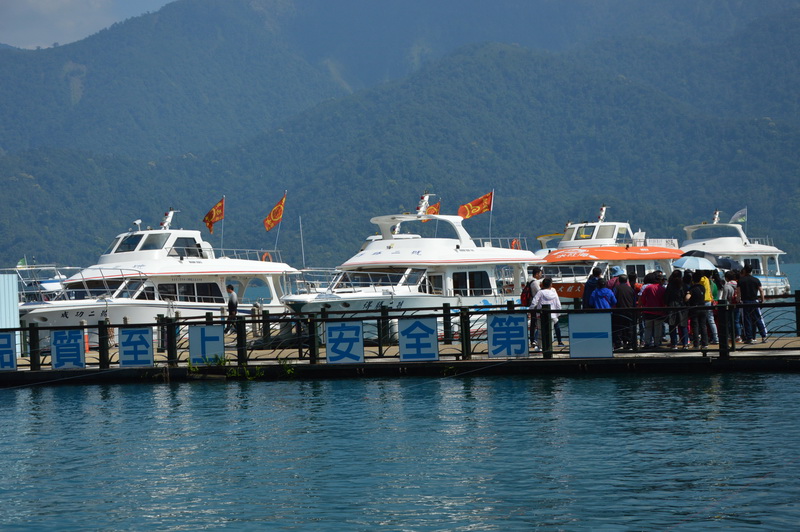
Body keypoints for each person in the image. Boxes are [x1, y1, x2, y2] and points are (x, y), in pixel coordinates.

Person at [737, 265, 767, 343]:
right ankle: (764, 336)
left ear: (744, 270)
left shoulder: (741, 280)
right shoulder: (756, 280)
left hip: (745, 302)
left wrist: (738, 300)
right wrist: (762, 300)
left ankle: (749, 338)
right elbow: (761, 290)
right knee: (758, 319)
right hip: (755, 301)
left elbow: (738, 292)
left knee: (746, 320)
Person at [530, 277, 564, 347]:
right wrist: (557, 315)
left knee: (540, 331)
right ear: (551, 284)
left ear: (542, 284)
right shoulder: (554, 293)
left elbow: (534, 302)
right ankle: (551, 346)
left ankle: (539, 346)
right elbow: (558, 305)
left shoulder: (540, 292)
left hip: (541, 315)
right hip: (553, 315)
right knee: (552, 331)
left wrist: (530, 310)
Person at [638, 272, 666, 348]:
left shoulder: (648, 288)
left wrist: (642, 306)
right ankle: (657, 343)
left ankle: (647, 343)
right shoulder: (662, 289)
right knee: (658, 329)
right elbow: (664, 301)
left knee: (648, 328)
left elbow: (642, 299)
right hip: (659, 311)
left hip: (648, 311)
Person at [664, 270, 689, 350]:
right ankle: (685, 344)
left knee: (672, 326)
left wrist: (666, 304)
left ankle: (674, 344)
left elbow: (666, 297)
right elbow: (686, 296)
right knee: (683, 326)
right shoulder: (683, 285)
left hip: (672, 306)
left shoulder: (670, 285)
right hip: (682, 306)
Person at [612, 274, 637, 350]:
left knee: (618, 328)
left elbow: (613, 299)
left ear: (619, 280)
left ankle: (618, 344)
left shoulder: (616, 288)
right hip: (629, 310)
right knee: (629, 327)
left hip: (619, 311)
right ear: (627, 281)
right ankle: (630, 343)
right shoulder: (630, 289)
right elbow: (634, 300)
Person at [688, 271, 708, 349]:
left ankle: (696, 344)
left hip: (694, 308)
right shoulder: (702, 287)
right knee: (703, 325)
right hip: (703, 307)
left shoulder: (692, 288)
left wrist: (687, 294)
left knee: (695, 326)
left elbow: (687, 298)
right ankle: (705, 343)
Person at [525, 266, 543, 347]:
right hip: (535, 305)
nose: (541, 275)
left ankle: (532, 340)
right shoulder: (535, 283)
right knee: (535, 323)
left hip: (533, 304)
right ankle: (534, 340)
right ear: (536, 274)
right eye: (540, 273)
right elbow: (540, 292)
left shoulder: (530, 281)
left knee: (533, 323)